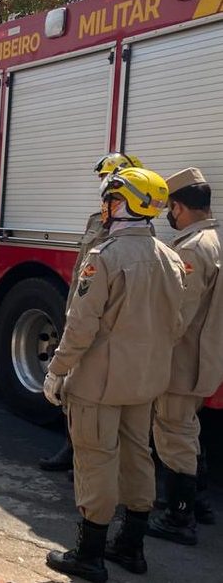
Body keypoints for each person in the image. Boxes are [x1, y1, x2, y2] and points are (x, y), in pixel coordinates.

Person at [42, 167, 186, 582]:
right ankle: (131, 546)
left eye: (110, 200)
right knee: (139, 457)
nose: (104, 208)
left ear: (124, 205)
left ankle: (89, 554)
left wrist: (57, 371)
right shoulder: (171, 258)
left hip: (98, 385)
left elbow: (81, 326)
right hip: (145, 383)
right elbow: (175, 325)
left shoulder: (105, 257)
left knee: (96, 462)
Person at [40, 152, 145, 474]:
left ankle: (91, 462)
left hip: (104, 327)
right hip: (80, 311)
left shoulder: (130, 228)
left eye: (108, 180)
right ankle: (71, 449)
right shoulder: (96, 220)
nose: (103, 187)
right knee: (73, 392)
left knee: (98, 401)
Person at [148, 167, 223, 547]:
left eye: (170, 209)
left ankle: (179, 518)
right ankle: (196, 503)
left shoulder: (192, 248)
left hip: (182, 361)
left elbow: (179, 314)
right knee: (187, 430)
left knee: (173, 432)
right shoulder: (213, 240)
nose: (169, 217)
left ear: (179, 206)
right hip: (201, 359)